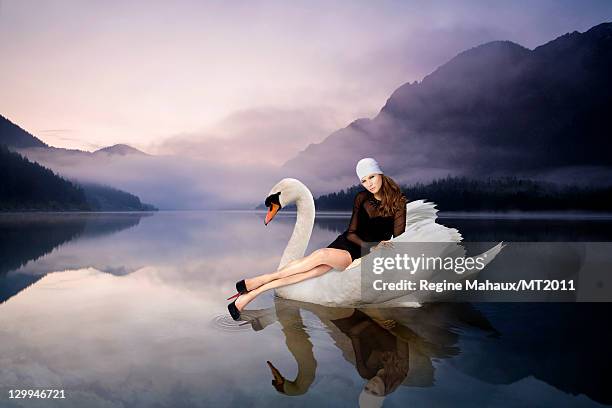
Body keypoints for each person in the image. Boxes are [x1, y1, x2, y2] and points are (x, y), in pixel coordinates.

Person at [227, 158, 408, 320]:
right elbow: (351, 232)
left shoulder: (399, 204)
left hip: (360, 253)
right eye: (363, 180)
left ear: (380, 174)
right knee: (309, 271)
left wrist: (375, 248)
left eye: (371, 177)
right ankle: (247, 297)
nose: (368, 184)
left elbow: (400, 239)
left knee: (318, 256)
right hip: (347, 242)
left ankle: (257, 282)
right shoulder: (361, 198)